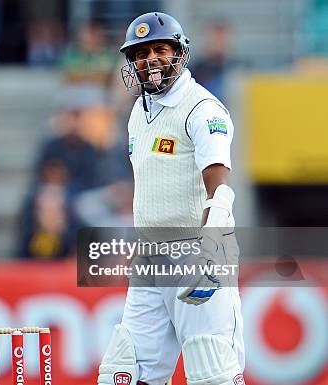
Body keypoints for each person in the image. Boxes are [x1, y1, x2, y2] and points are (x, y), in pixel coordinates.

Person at [97, 12, 244, 385]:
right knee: (124, 373)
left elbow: (221, 189)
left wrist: (212, 247)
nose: (152, 59)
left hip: (198, 251)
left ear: (179, 53)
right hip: (149, 257)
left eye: (160, 49)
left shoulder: (202, 108)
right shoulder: (136, 113)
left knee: (212, 374)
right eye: (142, 52)